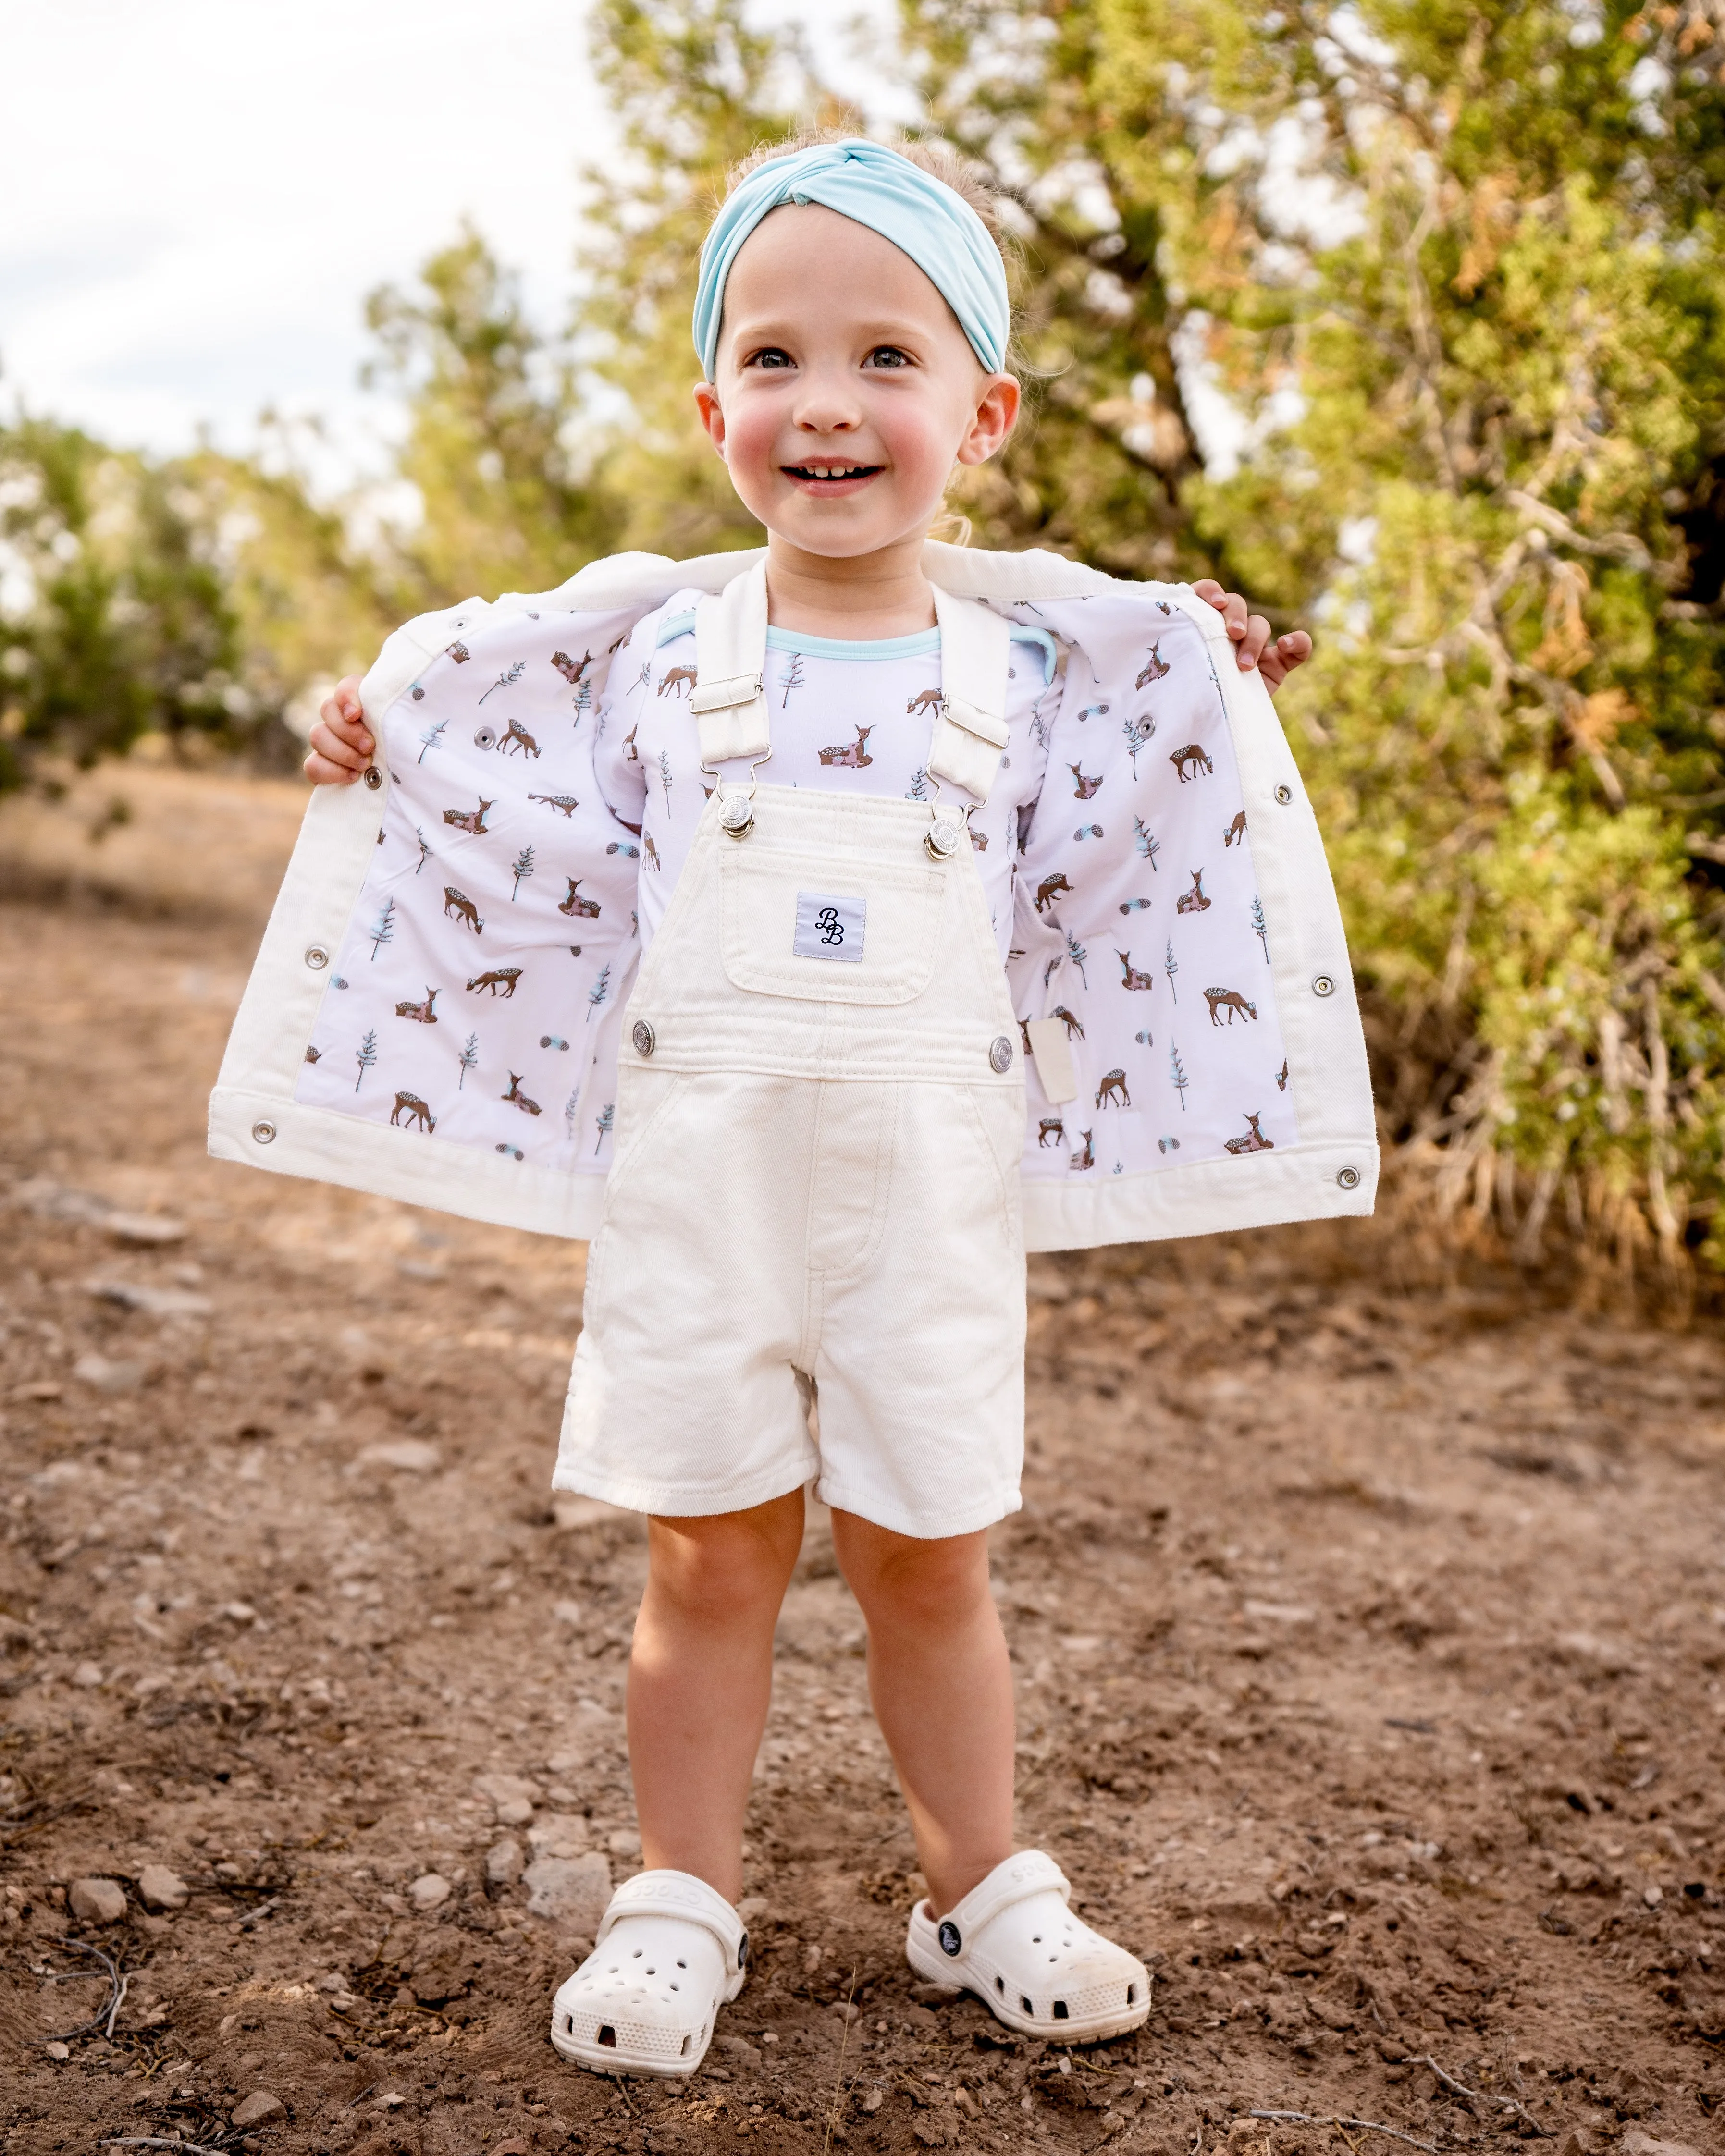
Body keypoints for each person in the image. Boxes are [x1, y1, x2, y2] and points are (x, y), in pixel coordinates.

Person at [272, 134, 1351, 2080]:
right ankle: (681, 1898)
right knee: (708, 1555)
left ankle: (979, 1881)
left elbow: (1147, 843)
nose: (827, 402)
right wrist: (371, 738)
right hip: (705, 1202)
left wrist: (1218, 680)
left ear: (984, 410)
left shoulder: (1023, 675)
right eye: (773, 358)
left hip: (925, 1207)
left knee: (928, 1555)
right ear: (712, 409)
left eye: (886, 358)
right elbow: (521, 834)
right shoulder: (659, 663)